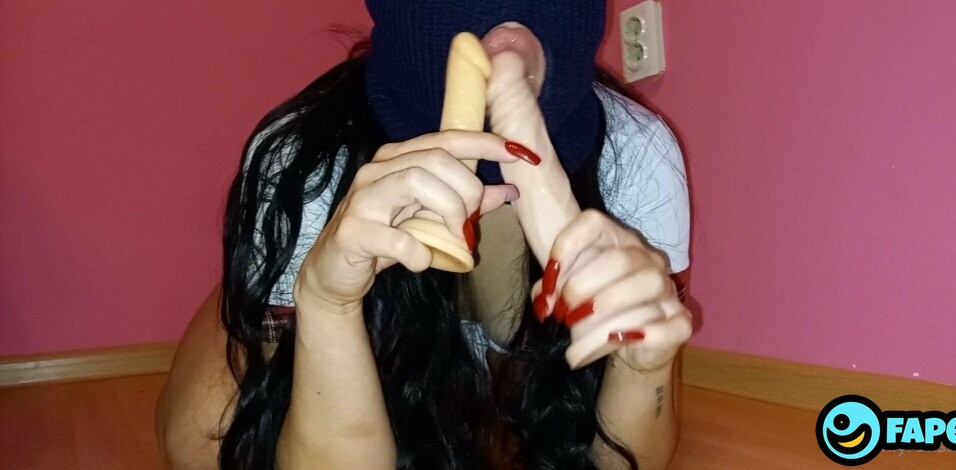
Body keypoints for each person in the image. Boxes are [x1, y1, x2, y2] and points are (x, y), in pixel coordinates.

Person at [156, 1, 692, 469]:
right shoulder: (304, 162)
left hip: (517, 331)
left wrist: (641, 365)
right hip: (360, 294)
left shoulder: (635, 156)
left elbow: (626, 459)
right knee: (203, 440)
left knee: (518, 427)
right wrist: (325, 303)